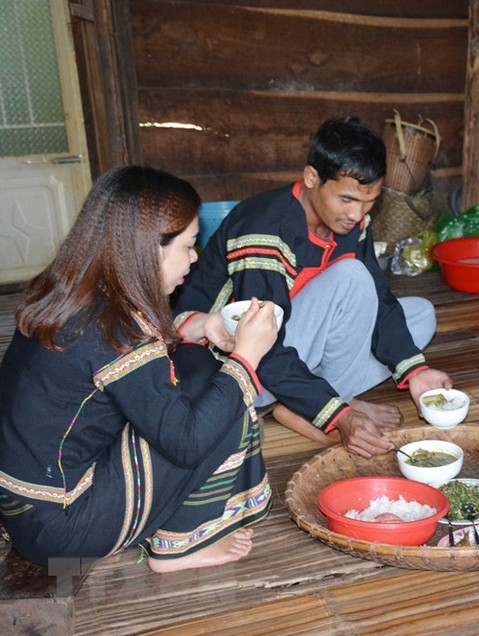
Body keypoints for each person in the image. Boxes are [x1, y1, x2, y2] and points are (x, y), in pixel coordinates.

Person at [0, 166, 278, 573]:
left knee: (197, 363)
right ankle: (180, 545)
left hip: (23, 506)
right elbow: (188, 441)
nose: (195, 257)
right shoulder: (117, 327)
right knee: (228, 398)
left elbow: (138, 363)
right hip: (62, 530)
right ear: (149, 249)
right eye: (187, 246)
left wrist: (202, 326)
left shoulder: (70, 287)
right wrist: (247, 357)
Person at [174, 117, 452, 458]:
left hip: (300, 339)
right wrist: (342, 417)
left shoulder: (354, 220)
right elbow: (259, 341)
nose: (357, 213)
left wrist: (417, 372)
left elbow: (378, 297)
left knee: (420, 314)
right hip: (238, 365)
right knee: (351, 276)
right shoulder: (264, 230)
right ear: (311, 178)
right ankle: (323, 406)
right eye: (347, 199)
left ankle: (309, 396)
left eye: (369, 202)